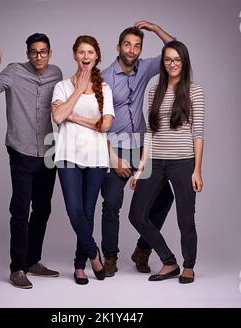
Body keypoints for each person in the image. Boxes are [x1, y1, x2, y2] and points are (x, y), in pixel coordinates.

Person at [0, 32, 62, 289]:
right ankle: (17, 268)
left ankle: (33, 260)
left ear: (50, 52)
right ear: (27, 54)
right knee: (20, 210)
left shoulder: (56, 74)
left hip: (48, 152)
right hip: (21, 151)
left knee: (43, 209)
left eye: (43, 51)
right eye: (34, 52)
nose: (39, 56)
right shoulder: (14, 71)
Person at [101, 21, 175, 277]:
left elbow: (175, 49)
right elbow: (97, 124)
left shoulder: (143, 68)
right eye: (127, 45)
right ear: (118, 47)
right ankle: (109, 256)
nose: (132, 50)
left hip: (141, 148)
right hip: (114, 149)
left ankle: (142, 250)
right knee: (112, 202)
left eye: (137, 46)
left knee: (165, 198)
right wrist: (114, 159)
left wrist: (155, 28)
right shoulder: (104, 78)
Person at [129, 40, 205, 284]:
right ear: (163, 62)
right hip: (154, 160)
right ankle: (169, 261)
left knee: (185, 218)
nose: (172, 64)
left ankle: (188, 266)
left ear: (184, 62)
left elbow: (198, 132)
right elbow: (150, 131)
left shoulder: (194, 91)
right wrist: (140, 167)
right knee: (137, 215)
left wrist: (197, 170)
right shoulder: (154, 90)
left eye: (177, 59)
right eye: (168, 59)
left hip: (183, 162)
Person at [51, 35, 114, 285]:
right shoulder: (63, 87)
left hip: (97, 158)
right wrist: (78, 90)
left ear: (96, 56)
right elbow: (57, 118)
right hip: (67, 155)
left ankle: (79, 266)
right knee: (74, 210)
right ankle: (94, 254)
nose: (86, 57)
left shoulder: (105, 89)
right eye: (81, 52)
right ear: (74, 55)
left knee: (87, 212)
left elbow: (105, 125)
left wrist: (74, 117)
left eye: (90, 52)